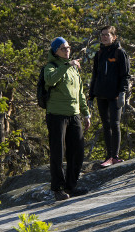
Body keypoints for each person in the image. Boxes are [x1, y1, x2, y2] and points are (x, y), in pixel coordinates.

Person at [45, 37, 91, 201]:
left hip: (74, 114)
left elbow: (80, 93)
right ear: (55, 51)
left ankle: (71, 186)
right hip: (56, 115)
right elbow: (50, 80)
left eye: (68, 47)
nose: (67, 50)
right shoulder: (51, 67)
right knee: (58, 152)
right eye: (63, 48)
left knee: (77, 151)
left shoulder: (73, 68)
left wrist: (85, 113)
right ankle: (57, 189)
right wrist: (66, 65)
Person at [89, 25, 131, 167]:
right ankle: (108, 156)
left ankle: (115, 156)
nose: (104, 37)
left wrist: (122, 93)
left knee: (115, 124)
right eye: (102, 35)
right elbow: (95, 75)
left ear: (114, 37)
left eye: (107, 34)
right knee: (106, 125)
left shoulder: (120, 53)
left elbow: (125, 75)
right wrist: (91, 96)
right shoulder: (99, 53)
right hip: (101, 95)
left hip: (114, 95)